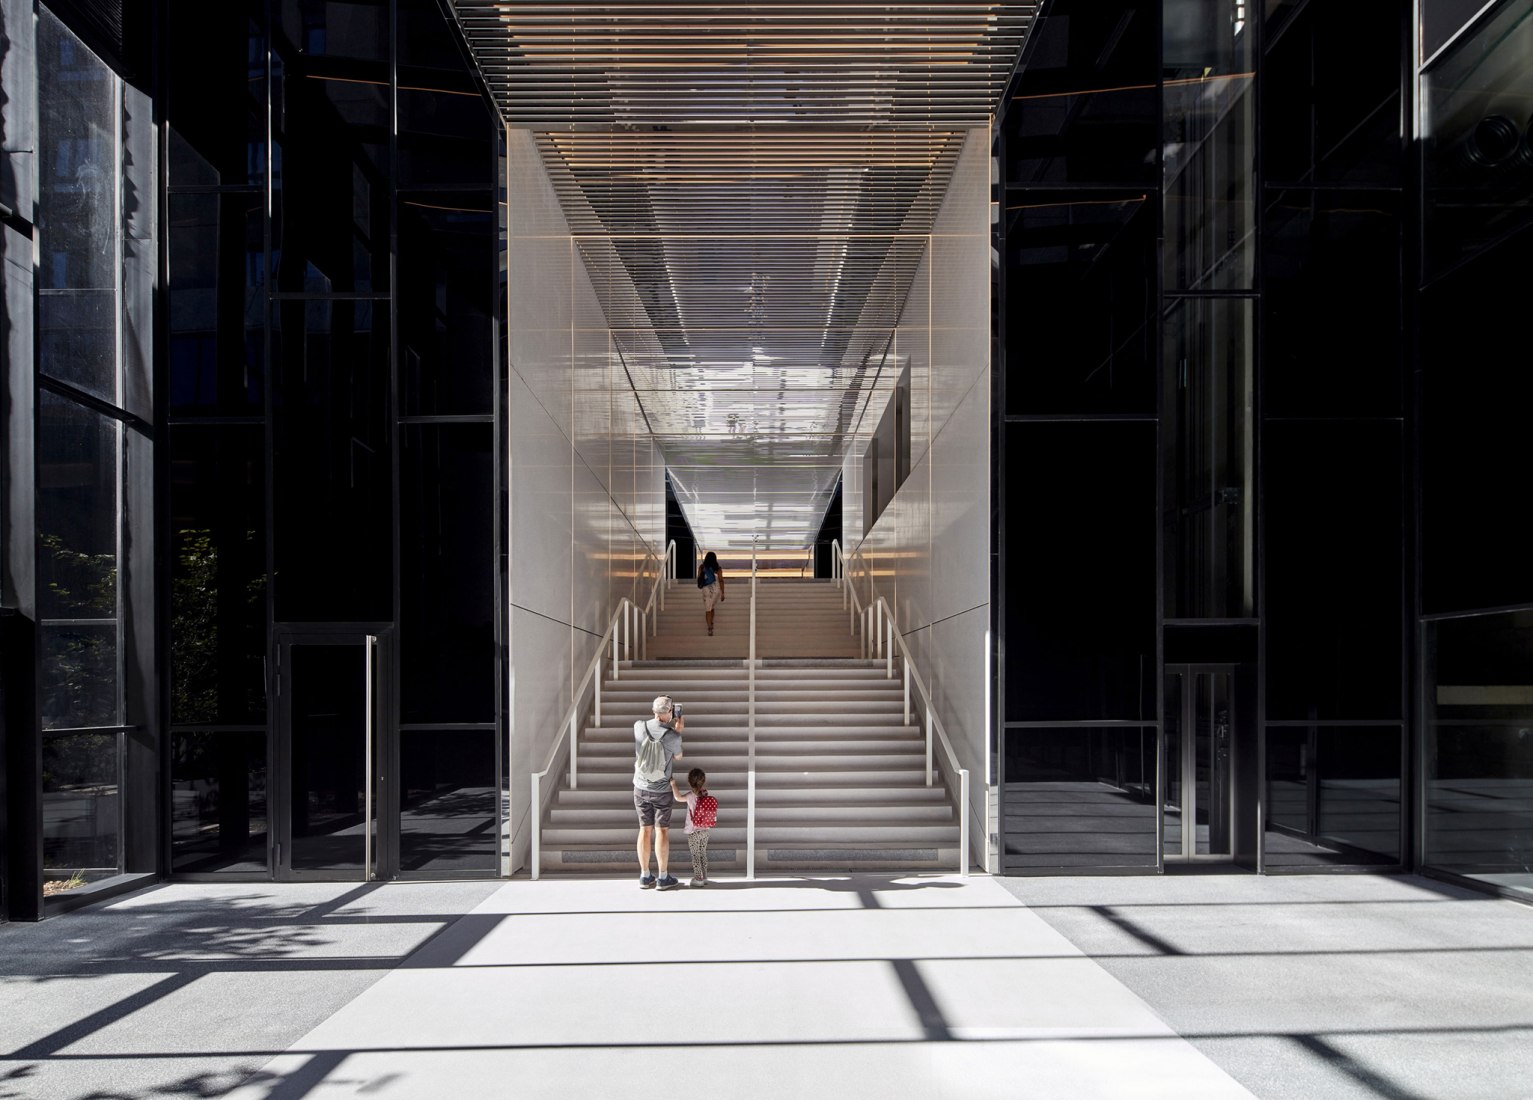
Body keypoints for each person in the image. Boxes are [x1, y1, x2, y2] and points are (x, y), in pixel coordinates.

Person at [634, 694, 685, 890]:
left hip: (640, 788)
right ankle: (663, 877)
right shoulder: (672, 736)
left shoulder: (639, 726)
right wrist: (678, 731)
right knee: (661, 830)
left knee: (644, 829)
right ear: (670, 712)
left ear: (653, 711)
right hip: (662, 789)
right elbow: (678, 757)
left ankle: (645, 876)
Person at [670, 767, 718, 888]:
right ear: (703, 781)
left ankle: (698, 878)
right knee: (702, 853)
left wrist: (673, 784)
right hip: (706, 830)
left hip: (694, 832)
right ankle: (705, 876)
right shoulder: (705, 794)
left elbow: (677, 797)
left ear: (689, 781)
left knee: (695, 855)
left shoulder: (690, 796)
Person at [697, 550, 726, 636]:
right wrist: (723, 593)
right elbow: (721, 580)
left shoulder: (702, 567)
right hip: (716, 590)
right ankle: (711, 622)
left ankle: (709, 627)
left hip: (706, 590)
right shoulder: (718, 569)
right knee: (711, 606)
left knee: (708, 608)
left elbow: (699, 578)